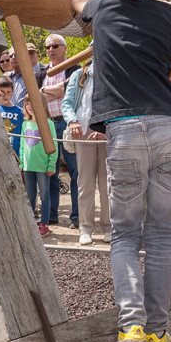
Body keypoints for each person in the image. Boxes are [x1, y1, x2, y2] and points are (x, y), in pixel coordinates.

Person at [71, 0, 171, 342]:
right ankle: (158, 329)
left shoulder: (103, 10)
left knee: (124, 235)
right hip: (168, 127)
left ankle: (132, 327)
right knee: (159, 235)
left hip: (125, 129)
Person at [61, 60, 111, 246]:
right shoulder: (79, 74)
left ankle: (109, 226)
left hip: (107, 130)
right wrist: (72, 120)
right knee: (85, 182)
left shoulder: (113, 69)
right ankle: (85, 227)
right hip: (83, 130)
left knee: (108, 183)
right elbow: (67, 102)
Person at [40, 34, 79, 228]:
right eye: (47, 47)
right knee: (50, 171)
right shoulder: (42, 71)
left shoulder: (74, 67)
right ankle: (51, 215)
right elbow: (36, 96)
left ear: (64, 48)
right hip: (47, 123)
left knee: (75, 171)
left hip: (68, 123)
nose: (50, 50)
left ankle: (76, 217)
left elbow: (70, 90)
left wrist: (45, 92)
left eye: (55, 46)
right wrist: (57, 90)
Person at [18, 98, 58, 237]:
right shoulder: (25, 124)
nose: (29, 106)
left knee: (45, 194)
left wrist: (51, 164)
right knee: (30, 194)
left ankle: (44, 223)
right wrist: (22, 163)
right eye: (27, 103)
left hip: (43, 166)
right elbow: (23, 145)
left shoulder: (48, 124)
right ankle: (30, 221)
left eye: (32, 102)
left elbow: (54, 145)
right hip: (29, 166)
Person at [0, 76, 24, 165]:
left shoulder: (20, 112)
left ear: (12, 92)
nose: (5, 96)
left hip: (14, 152)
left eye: (8, 92)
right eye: (1, 93)